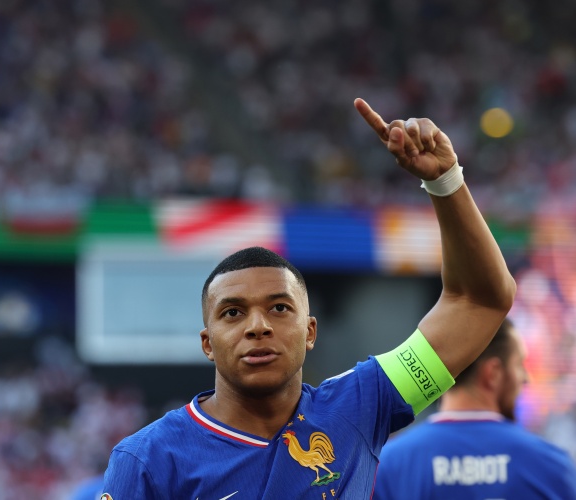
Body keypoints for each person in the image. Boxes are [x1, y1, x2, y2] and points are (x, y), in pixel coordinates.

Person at [100, 98, 517, 499]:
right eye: (233, 312)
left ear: (310, 331)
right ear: (208, 343)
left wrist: (446, 182)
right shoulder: (148, 459)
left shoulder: (359, 407)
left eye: (279, 308)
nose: (258, 326)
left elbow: (480, 301)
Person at [374, 318, 576, 499]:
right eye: (519, 365)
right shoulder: (552, 466)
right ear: (493, 373)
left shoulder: (389, 467)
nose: (525, 378)